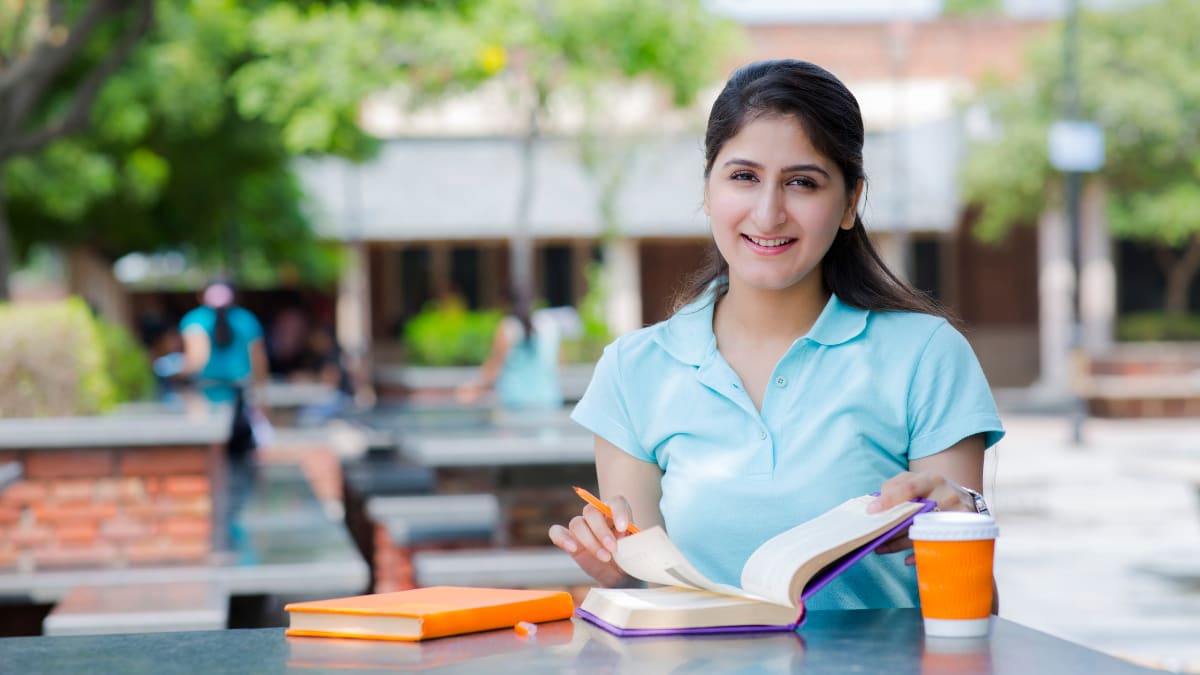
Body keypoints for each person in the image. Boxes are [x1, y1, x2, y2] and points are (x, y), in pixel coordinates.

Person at [547, 59, 1005, 611]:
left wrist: (957, 527)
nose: (768, 214)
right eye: (743, 177)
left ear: (850, 202)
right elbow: (649, 585)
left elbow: (973, 609)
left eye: (802, 183)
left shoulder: (927, 355)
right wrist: (611, 567)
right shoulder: (633, 370)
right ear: (709, 190)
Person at [179, 280, 270, 542]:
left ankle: (217, 531)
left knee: (212, 469)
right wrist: (263, 400)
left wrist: (173, 371)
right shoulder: (246, 320)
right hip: (239, 400)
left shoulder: (194, 320)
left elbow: (196, 360)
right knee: (241, 472)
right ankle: (237, 528)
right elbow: (259, 364)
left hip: (205, 401)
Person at [455, 291, 571, 411]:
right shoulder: (550, 325)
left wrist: (474, 388)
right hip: (548, 401)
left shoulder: (508, 327)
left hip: (515, 403)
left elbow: (494, 368)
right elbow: (560, 365)